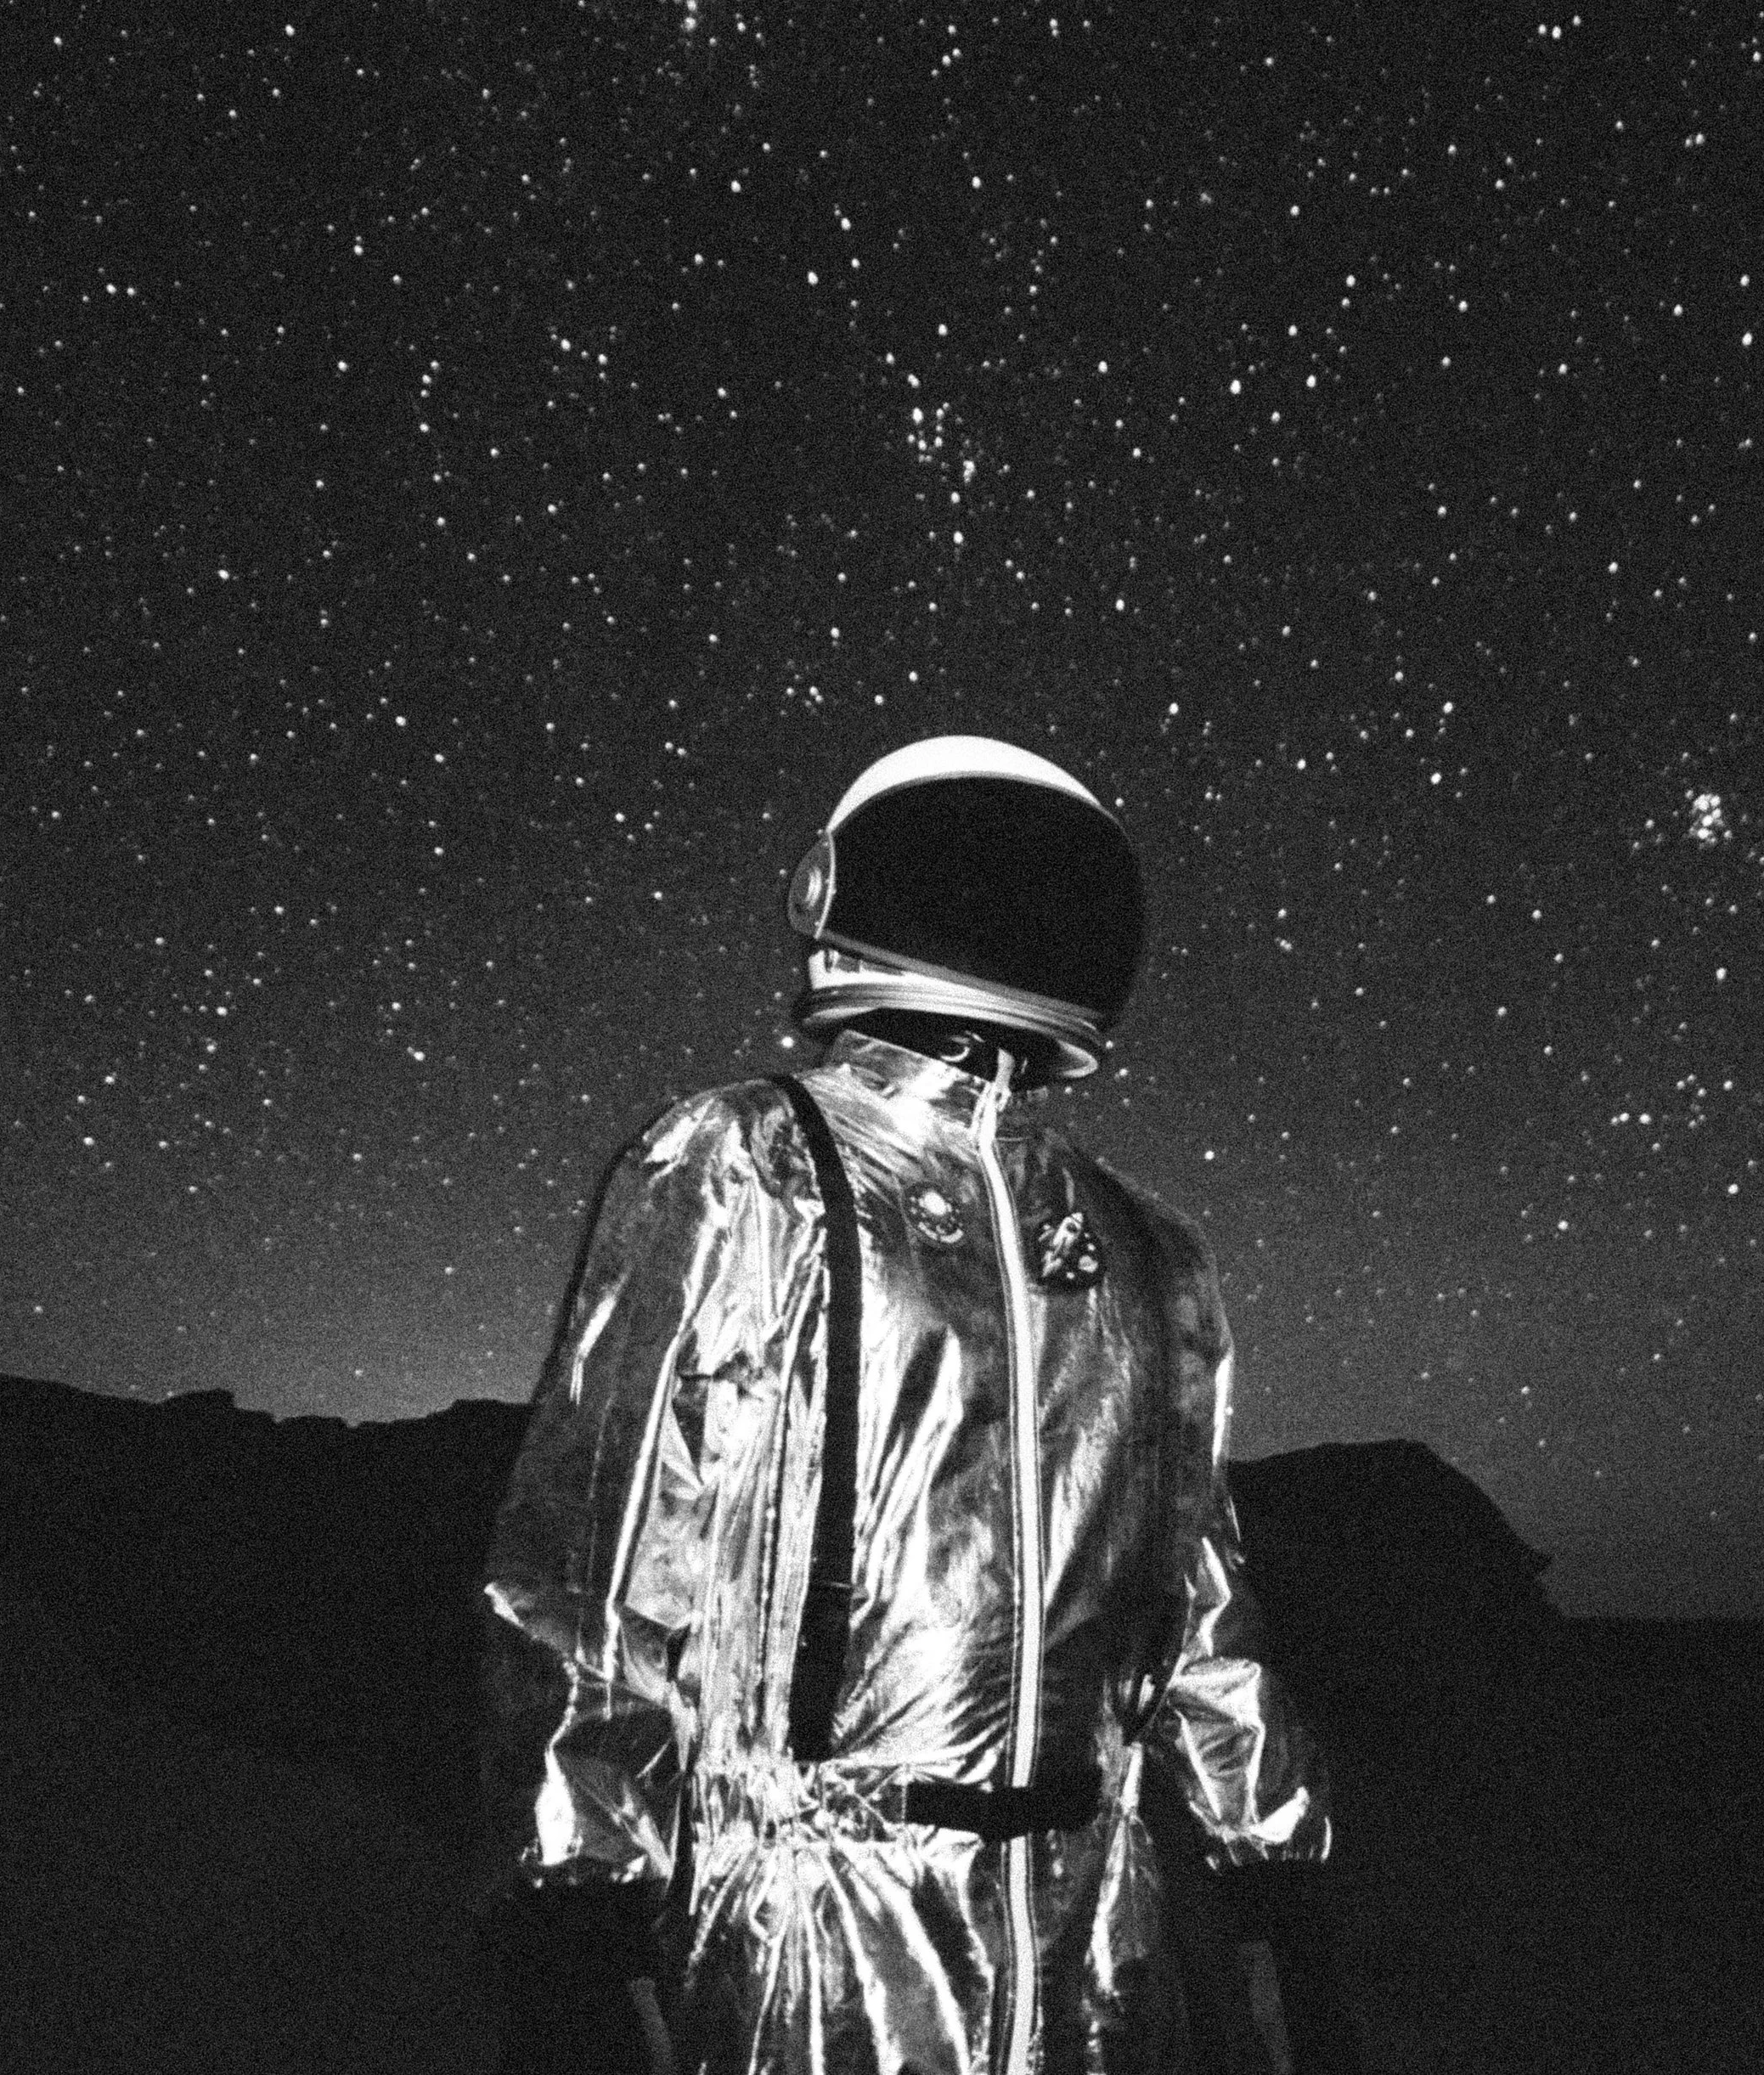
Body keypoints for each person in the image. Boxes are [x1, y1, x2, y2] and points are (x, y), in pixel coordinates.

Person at [479, 736, 1343, 2073]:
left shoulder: (1147, 1249)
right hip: (811, 1936)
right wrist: (581, 1884)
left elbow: (1197, 1596)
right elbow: (603, 1549)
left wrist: (1272, 1864)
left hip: (1094, 1936)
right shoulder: (748, 1164)